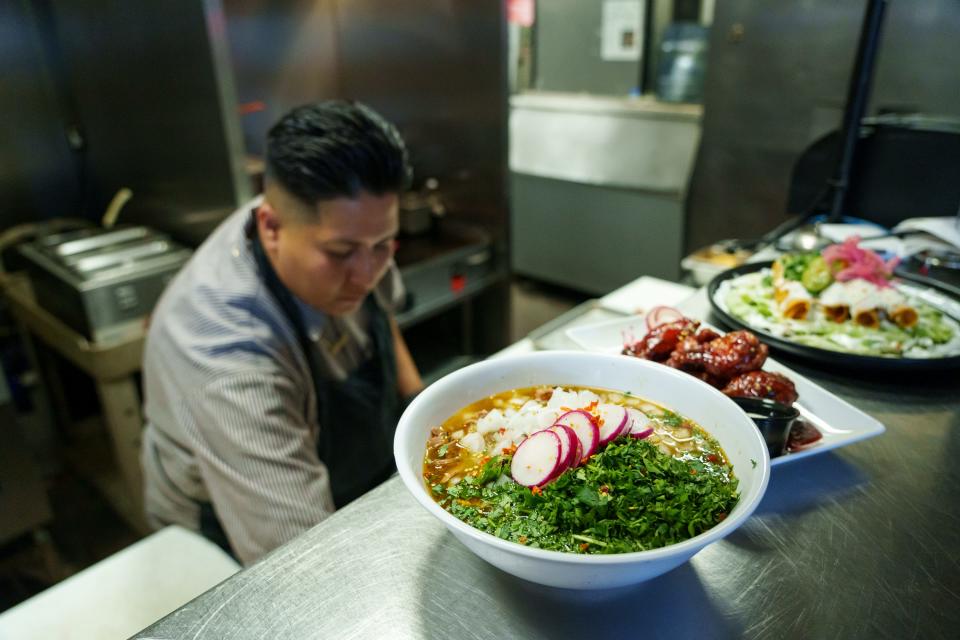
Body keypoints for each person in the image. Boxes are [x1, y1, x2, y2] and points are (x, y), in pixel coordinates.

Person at [140, 101, 423, 564]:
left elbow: (382, 315)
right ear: (269, 227)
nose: (367, 274)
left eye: (382, 246)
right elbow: (303, 558)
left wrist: (421, 413)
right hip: (226, 522)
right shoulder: (227, 356)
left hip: (336, 474)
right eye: (342, 252)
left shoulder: (349, 227)